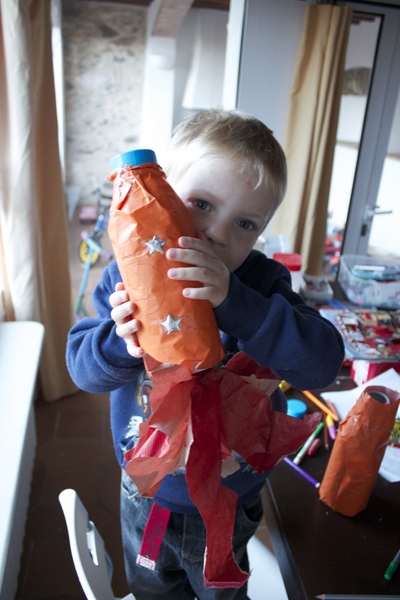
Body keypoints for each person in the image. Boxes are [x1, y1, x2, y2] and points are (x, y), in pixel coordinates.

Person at [66, 108, 344, 600]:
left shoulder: (260, 282)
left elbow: (321, 363)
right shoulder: (128, 274)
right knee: (153, 590)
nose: (218, 234)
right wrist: (119, 339)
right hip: (146, 496)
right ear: (165, 193)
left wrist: (236, 303)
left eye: (244, 223)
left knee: (222, 593)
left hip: (231, 503)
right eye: (201, 203)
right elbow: (83, 369)